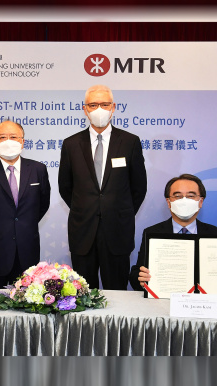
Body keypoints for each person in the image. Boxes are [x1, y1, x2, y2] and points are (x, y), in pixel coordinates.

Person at [58, 84, 147, 290]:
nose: (100, 109)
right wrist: (85, 208)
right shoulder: (71, 144)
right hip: (83, 232)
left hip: (117, 231)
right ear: (85, 109)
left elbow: (138, 187)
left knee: (117, 293)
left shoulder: (130, 142)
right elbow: (65, 187)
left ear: (113, 107)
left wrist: (118, 211)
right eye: (94, 104)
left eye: (105, 104)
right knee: (81, 294)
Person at [129, 173, 217, 292]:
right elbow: (136, 275)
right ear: (169, 202)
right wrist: (141, 279)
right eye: (178, 196)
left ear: (200, 202)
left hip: (206, 306)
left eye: (191, 196)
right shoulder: (152, 233)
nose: (184, 201)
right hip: (164, 304)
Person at [0, 120, 50, 289]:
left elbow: (42, 205)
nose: (8, 141)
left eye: (13, 137)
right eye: (2, 137)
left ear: (22, 141)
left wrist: (22, 226)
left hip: (27, 250)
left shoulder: (38, 169)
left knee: (27, 307)